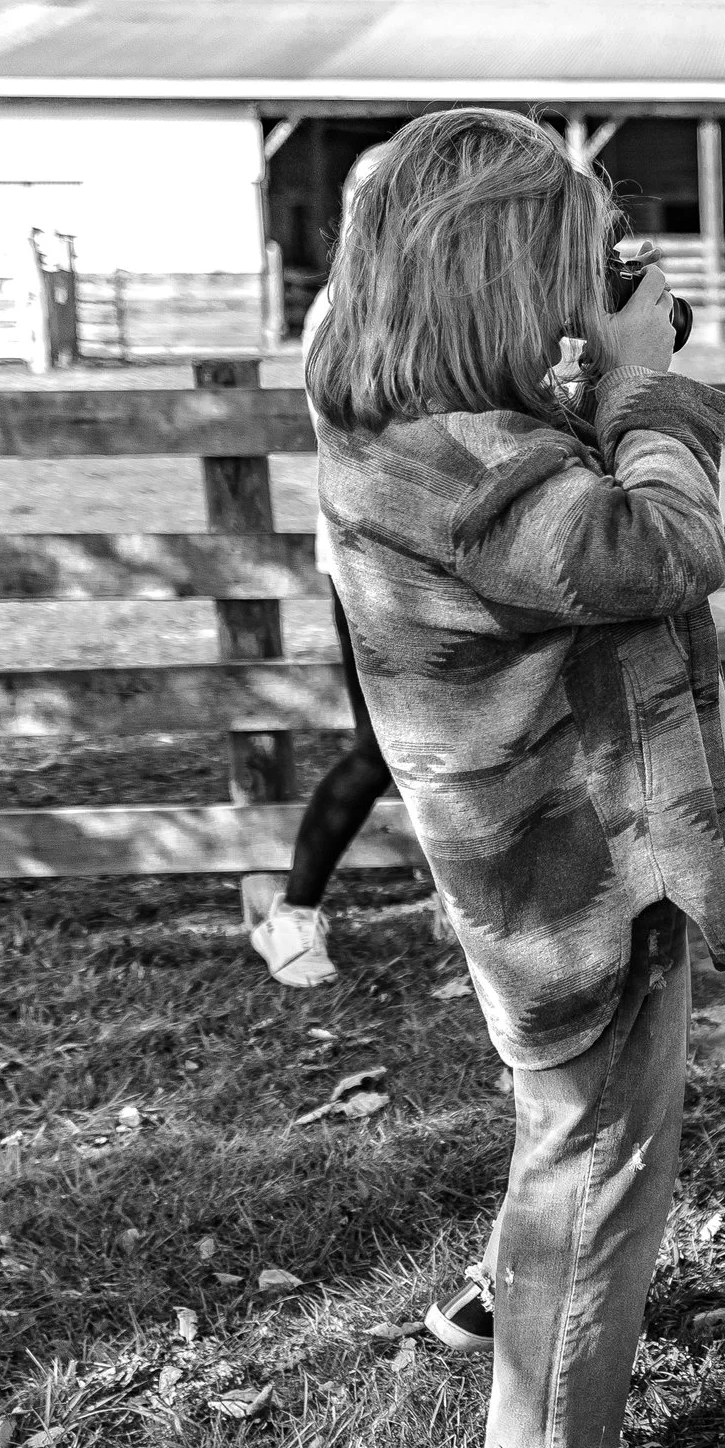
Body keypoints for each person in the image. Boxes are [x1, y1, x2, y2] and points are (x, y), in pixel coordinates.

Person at [305, 106, 725, 1448]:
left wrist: (594, 365)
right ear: (498, 274)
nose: (587, 288)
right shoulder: (478, 465)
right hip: (581, 866)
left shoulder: (407, 419)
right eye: (564, 260)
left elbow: (549, 502)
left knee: (564, 1108)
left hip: (530, 852)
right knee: (601, 1143)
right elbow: (660, 544)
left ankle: (500, 1299)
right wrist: (640, 383)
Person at [251, 140, 398, 989]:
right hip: (369, 563)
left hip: (434, 563)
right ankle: (292, 915)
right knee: (382, 747)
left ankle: (477, 912)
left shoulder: (422, 305)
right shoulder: (344, 314)